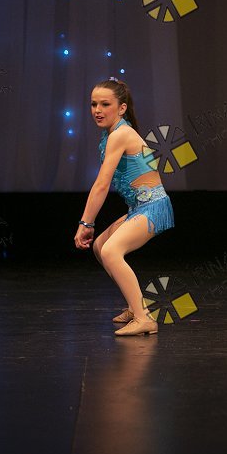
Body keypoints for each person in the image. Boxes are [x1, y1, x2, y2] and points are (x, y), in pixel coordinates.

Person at [74, 78, 174, 336]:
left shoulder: (121, 134)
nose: (97, 110)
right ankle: (134, 306)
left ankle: (144, 319)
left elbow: (101, 185)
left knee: (111, 251)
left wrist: (86, 223)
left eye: (105, 104)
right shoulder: (112, 134)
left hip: (153, 207)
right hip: (140, 208)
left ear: (121, 108)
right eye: (93, 104)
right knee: (100, 246)